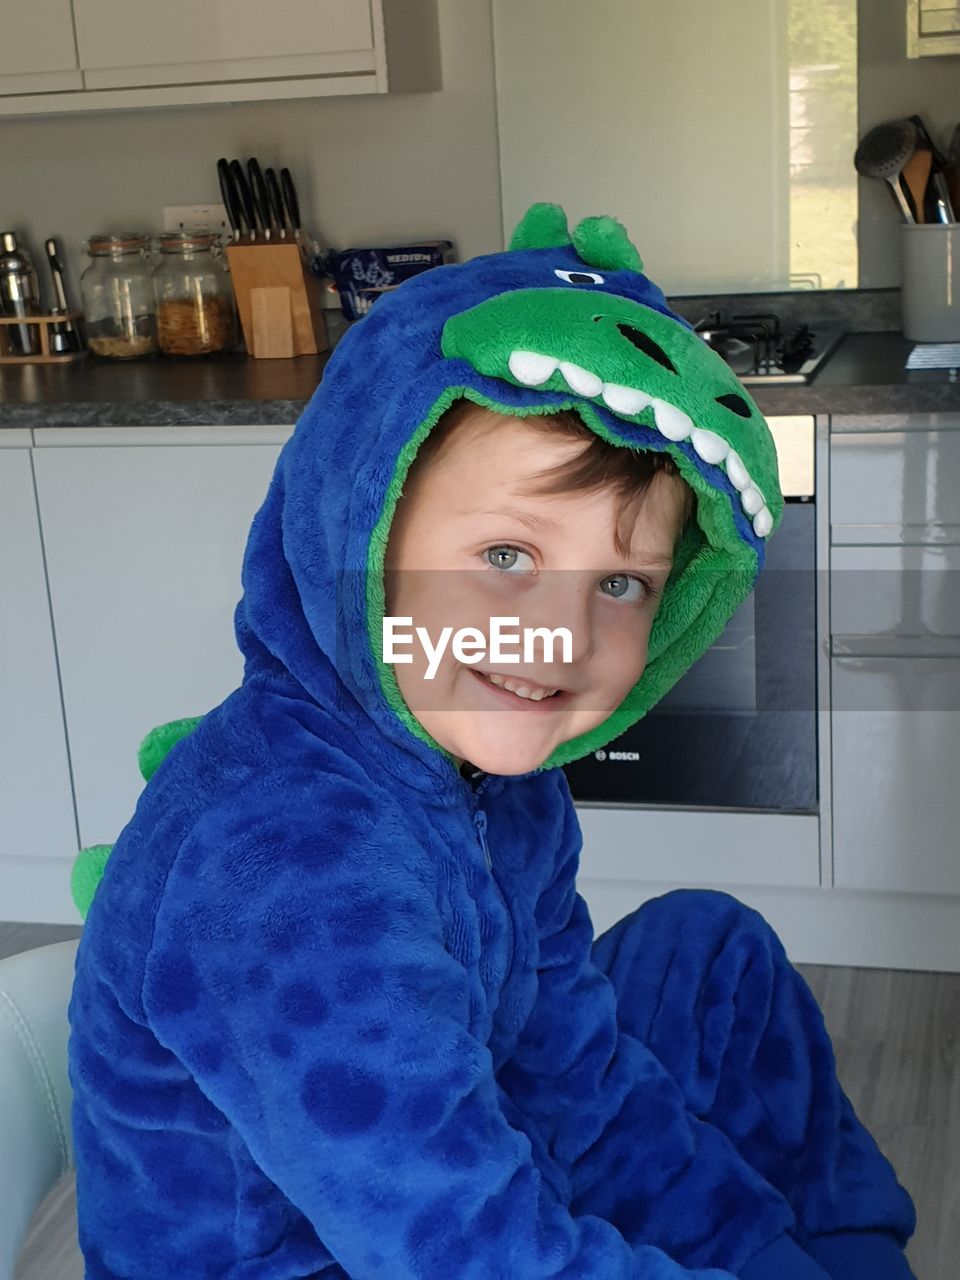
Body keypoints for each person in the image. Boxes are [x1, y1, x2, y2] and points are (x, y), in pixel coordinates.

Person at [67, 204, 917, 1279]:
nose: (558, 636)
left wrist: (768, 1254)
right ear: (366, 532)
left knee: (711, 949)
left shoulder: (502, 787)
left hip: (452, 1161)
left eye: (618, 583)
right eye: (507, 554)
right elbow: (469, 1253)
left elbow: (586, 1087)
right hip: (347, 1252)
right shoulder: (284, 863)